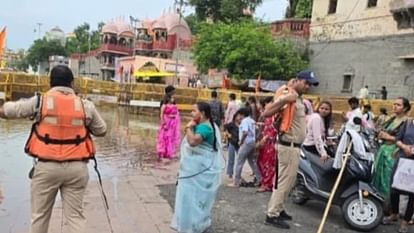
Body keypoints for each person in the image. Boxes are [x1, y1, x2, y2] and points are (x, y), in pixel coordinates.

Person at [0, 65, 107, 233]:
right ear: (72, 83)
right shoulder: (85, 105)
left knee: (40, 216)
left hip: (46, 168)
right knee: (75, 217)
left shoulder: (39, 102)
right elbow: (102, 130)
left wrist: (3, 109)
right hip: (76, 169)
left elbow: (9, 111)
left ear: (50, 82)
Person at [261, 69, 319, 229]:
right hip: (288, 146)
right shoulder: (288, 96)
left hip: (294, 147)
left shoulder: (299, 98)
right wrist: (286, 99)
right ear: (298, 80)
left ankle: (279, 209)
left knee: (289, 181)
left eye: (310, 84)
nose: (308, 86)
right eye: (306, 83)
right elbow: (267, 113)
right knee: (284, 182)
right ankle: (272, 214)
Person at [171, 102, 222, 233]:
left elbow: (193, 142)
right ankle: (193, 224)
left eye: (194, 111)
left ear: (203, 113)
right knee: (195, 198)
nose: (192, 113)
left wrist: (188, 128)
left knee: (192, 198)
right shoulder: (205, 125)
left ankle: (191, 226)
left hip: (197, 172)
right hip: (197, 170)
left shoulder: (205, 127)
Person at [373, 98, 410, 201]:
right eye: (394, 104)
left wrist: (388, 137)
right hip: (383, 149)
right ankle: (377, 200)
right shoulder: (392, 119)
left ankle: (388, 205)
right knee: (378, 176)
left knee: (388, 178)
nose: (395, 106)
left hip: (393, 152)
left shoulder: (407, 122)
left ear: (405, 108)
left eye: (398, 105)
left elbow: (405, 139)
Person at [382, 115, 414, 233]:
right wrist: (404, 146)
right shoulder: (408, 123)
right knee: (394, 188)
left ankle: (405, 221)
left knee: (412, 193)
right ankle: (394, 214)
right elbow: (397, 139)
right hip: (402, 159)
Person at [228, 107, 261, 187]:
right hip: (252, 142)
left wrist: (241, 141)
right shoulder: (252, 120)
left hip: (246, 143)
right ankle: (260, 178)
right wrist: (255, 137)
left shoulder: (244, 121)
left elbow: (245, 132)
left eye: (239, 115)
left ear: (242, 115)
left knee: (239, 161)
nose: (238, 117)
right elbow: (257, 129)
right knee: (251, 161)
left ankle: (236, 181)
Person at [256, 96, 278, 192]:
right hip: (265, 143)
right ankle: (264, 181)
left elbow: (273, 131)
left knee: (268, 164)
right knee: (261, 161)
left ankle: (267, 184)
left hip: (270, 143)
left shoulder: (274, 116)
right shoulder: (267, 115)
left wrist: (264, 139)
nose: (266, 105)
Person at [156, 93, 181, 160]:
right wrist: (163, 123)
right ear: (168, 98)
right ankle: (162, 151)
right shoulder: (164, 106)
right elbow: (161, 115)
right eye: (172, 98)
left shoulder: (174, 105)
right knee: (164, 136)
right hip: (166, 122)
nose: (173, 99)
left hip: (172, 123)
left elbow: (177, 114)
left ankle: (169, 152)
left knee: (171, 137)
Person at [224, 111, 242, 179]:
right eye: (238, 116)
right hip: (232, 142)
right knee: (231, 158)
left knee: (240, 159)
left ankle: (238, 173)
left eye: (240, 116)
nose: (239, 117)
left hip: (239, 143)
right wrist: (227, 134)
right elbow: (225, 127)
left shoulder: (242, 124)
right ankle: (230, 173)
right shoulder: (231, 124)